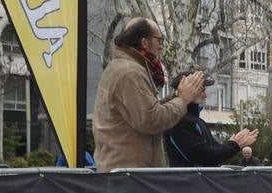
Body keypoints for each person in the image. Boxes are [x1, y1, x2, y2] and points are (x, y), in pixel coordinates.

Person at [93, 17, 203, 172]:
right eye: (159, 40)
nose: (161, 46)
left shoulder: (122, 67)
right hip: (130, 176)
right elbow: (151, 119)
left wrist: (177, 95)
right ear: (145, 42)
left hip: (125, 171)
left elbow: (147, 110)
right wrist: (183, 99)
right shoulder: (130, 72)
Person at [163, 72, 258, 167]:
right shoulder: (180, 120)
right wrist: (234, 144)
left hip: (197, 180)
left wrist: (233, 143)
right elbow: (203, 156)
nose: (205, 95)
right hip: (190, 181)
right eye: (201, 90)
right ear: (186, 90)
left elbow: (212, 150)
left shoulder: (194, 120)